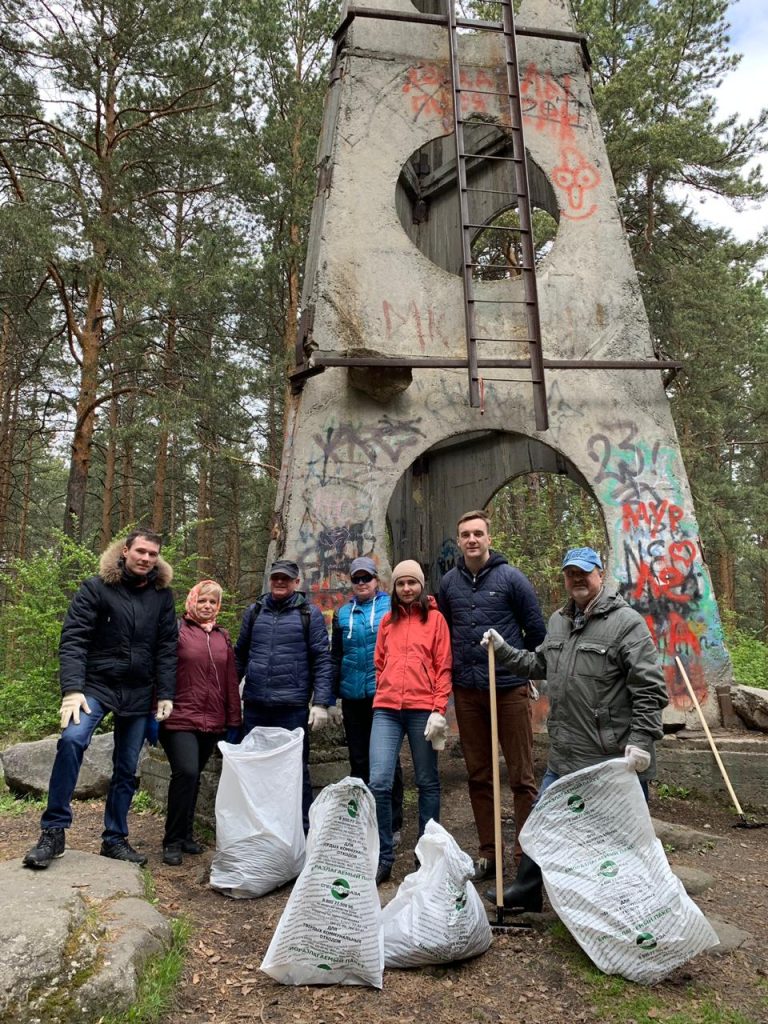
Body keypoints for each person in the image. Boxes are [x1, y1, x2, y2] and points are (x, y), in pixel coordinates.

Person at [482, 545, 669, 911]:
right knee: (543, 821)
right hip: (567, 752)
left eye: (585, 572)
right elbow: (539, 663)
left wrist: (643, 740)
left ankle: (642, 907)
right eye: (571, 573)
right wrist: (503, 650)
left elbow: (649, 687)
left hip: (614, 756)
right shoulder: (558, 622)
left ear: (600, 574)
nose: (578, 579)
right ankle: (527, 889)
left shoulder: (626, 623)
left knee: (628, 838)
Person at [23, 529, 177, 869]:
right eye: (141, 551)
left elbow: (167, 647)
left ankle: (114, 839)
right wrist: (72, 689)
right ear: (125, 551)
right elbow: (74, 639)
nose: (146, 559)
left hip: (139, 691)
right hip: (96, 686)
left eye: (153, 554)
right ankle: (53, 832)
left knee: (126, 767)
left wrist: (166, 692)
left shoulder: (162, 596)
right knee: (72, 741)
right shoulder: (96, 588)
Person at [437, 509, 546, 880]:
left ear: (489, 538)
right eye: (465, 534)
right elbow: (444, 632)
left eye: (478, 534)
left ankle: (526, 854)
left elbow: (536, 631)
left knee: (521, 775)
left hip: (509, 688)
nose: (472, 540)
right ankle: (489, 852)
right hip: (468, 692)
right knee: (479, 774)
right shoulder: (448, 583)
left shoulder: (511, 578)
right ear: (459, 540)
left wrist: (525, 671)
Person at [369, 559, 452, 885]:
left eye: (412, 583)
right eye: (401, 584)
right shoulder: (388, 621)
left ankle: (426, 855)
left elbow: (443, 666)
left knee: (427, 781)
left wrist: (438, 708)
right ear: (395, 588)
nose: (406, 589)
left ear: (421, 586)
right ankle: (384, 856)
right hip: (387, 709)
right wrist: (384, 690)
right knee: (378, 782)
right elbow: (379, 662)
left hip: (422, 709)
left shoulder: (435, 620)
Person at [234, 558, 333, 832]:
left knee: (295, 771)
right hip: (255, 705)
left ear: (296, 583)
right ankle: (257, 830)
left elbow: (321, 660)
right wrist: (229, 694)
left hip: (292, 707)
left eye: (286, 579)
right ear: (270, 579)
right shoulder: (254, 612)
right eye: (276, 577)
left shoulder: (309, 614)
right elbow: (239, 656)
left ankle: (302, 831)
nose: (280, 582)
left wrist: (321, 702)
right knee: (255, 769)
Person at [159, 580, 242, 866]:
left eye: (212, 602)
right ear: (192, 601)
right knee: (186, 772)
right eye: (202, 601)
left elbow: (231, 680)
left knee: (194, 779)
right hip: (179, 716)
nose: (207, 606)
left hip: (213, 720)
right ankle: (171, 840)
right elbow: (162, 669)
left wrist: (234, 720)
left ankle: (185, 836)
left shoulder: (222, 636)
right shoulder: (177, 630)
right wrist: (154, 708)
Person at [331, 556, 405, 845]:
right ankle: (363, 817)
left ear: (377, 581)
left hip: (383, 694)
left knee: (386, 760)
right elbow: (336, 655)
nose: (362, 583)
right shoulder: (343, 614)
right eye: (356, 579)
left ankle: (393, 821)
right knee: (359, 758)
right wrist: (328, 696)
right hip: (352, 695)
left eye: (367, 578)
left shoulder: (391, 608)